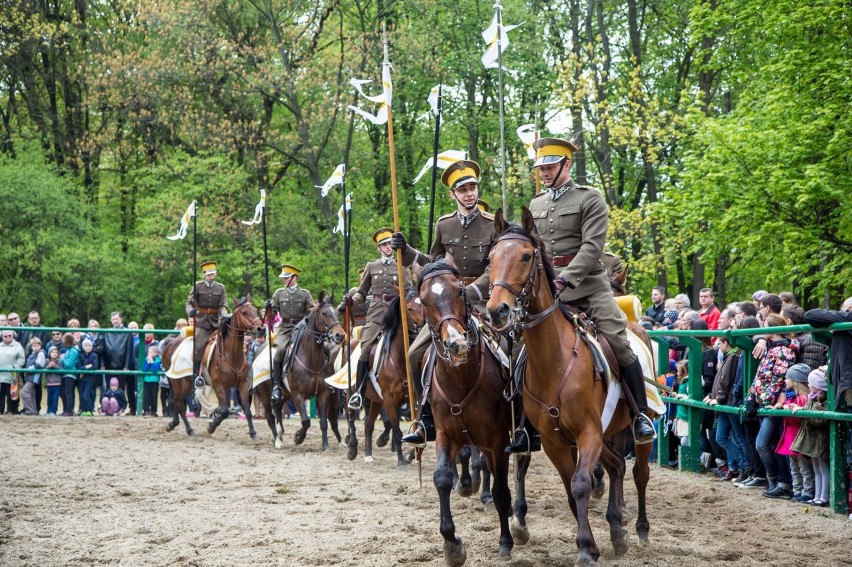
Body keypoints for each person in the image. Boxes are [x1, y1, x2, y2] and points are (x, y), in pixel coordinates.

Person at [518, 137, 656, 448]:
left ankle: (640, 416)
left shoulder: (590, 198)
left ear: (566, 165)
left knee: (619, 341)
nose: (544, 173)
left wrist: (566, 279)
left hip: (590, 288)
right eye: (541, 168)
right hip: (549, 294)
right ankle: (523, 427)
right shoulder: (537, 204)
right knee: (520, 349)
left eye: (550, 167)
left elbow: (593, 248)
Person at [392, 159, 496, 446]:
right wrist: (407, 251)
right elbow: (433, 265)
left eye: (473, 187)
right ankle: (424, 419)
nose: (469, 194)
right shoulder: (444, 224)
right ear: (453, 194)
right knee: (414, 354)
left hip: (483, 300)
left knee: (511, 351)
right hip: (449, 304)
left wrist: (475, 290)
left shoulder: (492, 224)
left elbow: (497, 265)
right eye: (462, 189)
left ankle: (519, 420)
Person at [344, 227, 413, 411]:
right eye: (384, 244)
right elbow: (362, 292)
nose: (388, 247)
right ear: (379, 248)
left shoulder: (402, 267)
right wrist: (352, 300)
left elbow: (409, 292)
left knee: (413, 348)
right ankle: (358, 392)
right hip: (375, 316)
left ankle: (416, 391)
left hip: (397, 316)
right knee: (365, 350)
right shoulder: (371, 266)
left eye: (390, 243)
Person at [745, 313, 797, 498]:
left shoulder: (784, 351)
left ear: (772, 329)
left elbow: (778, 379)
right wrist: (752, 395)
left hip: (772, 405)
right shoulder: (771, 348)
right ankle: (776, 482)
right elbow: (762, 376)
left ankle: (779, 481)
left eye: (765, 326)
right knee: (769, 443)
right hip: (764, 403)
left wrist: (763, 400)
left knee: (763, 444)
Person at [269, 263, 314, 402]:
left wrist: (305, 323)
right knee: (280, 351)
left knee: (322, 348)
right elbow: (272, 315)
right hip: (285, 328)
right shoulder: (279, 293)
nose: (284, 280)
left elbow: (312, 312)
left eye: (287, 277)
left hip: (302, 328)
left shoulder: (305, 293)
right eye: (283, 278)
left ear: (294, 278)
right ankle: (276, 386)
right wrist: (268, 309)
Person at [771, 363, 812, 502]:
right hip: (790, 435)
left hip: (799, 436)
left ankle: (807, 492)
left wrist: (788, 406)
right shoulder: (791, 397)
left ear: (795, 381)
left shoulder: (803, 398)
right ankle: (797, 490)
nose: (785, 381)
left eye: (787, 378)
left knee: (804, 467)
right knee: (794, 466)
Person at [790, 367, 830, 506]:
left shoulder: (824, 401)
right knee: (816, 468)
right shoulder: (811, 398)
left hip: (819, 439)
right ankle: (817, 496)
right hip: (811, 439)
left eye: (810, 383)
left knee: (824, 469)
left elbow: (819, 420)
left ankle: (824, 497)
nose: (808, 385)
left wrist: (803, 412)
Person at [186, 260, 228, 388]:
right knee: (198, 347)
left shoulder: (220, 287)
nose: (211, 276)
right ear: (204, 274)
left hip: (217, 322)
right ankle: (197, 376)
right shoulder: (198, 286)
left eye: (213, 274)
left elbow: (223, 305)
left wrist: (224, 315)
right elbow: (188, 302)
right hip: (203, 322)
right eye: (208, 274)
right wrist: (191, 311)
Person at [104, 311, 135, 414]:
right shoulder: (107, 331)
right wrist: (103, 364)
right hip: (109, 364)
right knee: (109, 386)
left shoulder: (127, 332)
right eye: (113, 319)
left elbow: (129, 350)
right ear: (111, 320)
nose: (115, 321)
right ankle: (110, 408)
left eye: (117, 319)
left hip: (121, 365)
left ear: (121, 319)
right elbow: (104, 349)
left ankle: (121, 407)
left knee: (120, 388)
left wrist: (126, 365)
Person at [0, 330, 25, 414]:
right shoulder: (0, 345)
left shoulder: (18, 346)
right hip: (1, 374)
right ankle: (0, 410)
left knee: (12, 393)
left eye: (9, 336)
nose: (8, 337)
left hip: (12, 374)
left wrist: (16, 367)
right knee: (1, 393)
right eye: (5, 336)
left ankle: (11, 410)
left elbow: (21, 358)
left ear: (13, 336)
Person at [20, 337, 46, 415]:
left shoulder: (41, 354)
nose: (36, 347)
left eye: (37, 345)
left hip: (34, 377)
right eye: (34, 346)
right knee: (31, 394)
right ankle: (33, 410)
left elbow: (39, 365)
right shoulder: (32, 354)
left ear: (40, 346)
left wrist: (28, 369)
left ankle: (29, 410)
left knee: (24, 392)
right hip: (29, 376)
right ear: (31, 347)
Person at [77, 338, 100, 416]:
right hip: (81, 378)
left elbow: (94, 366)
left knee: (86, 395)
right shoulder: (81, 355)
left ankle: (90, 409)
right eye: (86, 346)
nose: (88, 347)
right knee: (81, 395)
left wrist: (84, 369)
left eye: (89, 345)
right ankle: (83, 410)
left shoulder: (94, 355)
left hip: (90, 378)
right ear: (83, 347)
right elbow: (78, 366)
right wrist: (86, 367)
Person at [60, 333, 81, 416]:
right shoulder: (69, 350)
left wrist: (62, 359)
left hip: (70, 374)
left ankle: (69, 410)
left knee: (68, 392)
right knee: (63, 392)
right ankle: (66, 409)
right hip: (65, 374)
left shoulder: (73, 351)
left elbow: (69, 364)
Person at [141, 344, 162, 417]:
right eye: (148, 352)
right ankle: (146, 410)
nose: (148, 353)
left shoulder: (158, 360)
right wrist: (148, 362)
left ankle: (154, 410)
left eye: (150, 352)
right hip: (146, 380)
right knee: (146, 396)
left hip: (154, 381)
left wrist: (152, 362)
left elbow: (155, 369)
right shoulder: (146, 359)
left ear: (155, 353)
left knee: (154, 396)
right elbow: (144, 369)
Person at [44, 346, 63, 415]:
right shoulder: (47, 361)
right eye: (53, 352)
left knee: (55, 398)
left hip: (57, 383)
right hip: (49, 383)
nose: (54, 354)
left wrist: (55, 366)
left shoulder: (60, 361)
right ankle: (49, 411)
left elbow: (61, 370)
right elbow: (45, 370)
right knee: (49, 398)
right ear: (49, 353)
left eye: (56, 352)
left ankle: (54, 411)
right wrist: (49, 366)